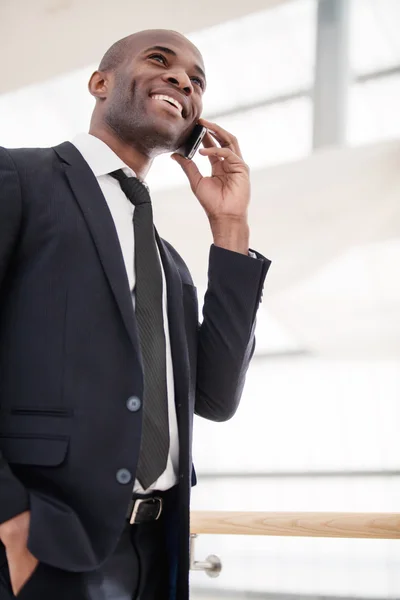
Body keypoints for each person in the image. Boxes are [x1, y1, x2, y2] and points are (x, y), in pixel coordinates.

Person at [0, 28, 270, 600]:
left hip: (156, 553)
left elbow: (217, 397)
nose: (183, 81)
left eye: (197, 82)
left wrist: (230, 231)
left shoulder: (168, 262)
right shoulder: (18, 180)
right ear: (100, 83)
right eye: (160, 61)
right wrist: (12, 521)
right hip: (43, 546)